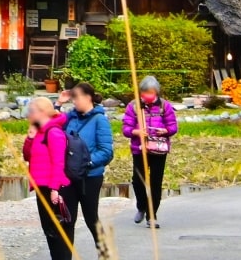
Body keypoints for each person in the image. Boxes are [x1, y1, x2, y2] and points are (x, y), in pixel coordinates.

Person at [22, 94, 73, 258]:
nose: (28, 114)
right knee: (49, 230)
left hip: (52, 187)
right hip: (41, 186)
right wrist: (30, 138)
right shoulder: (39, 132)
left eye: (32, 111)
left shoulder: (54, 132)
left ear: (42, 112)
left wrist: (54, 189)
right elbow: (27, 156)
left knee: (56, 231)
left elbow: (59, 163)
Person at [122, 75, 177, 227]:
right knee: (138, 180)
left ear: (156, 93)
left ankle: (152, 216)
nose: (146, 96)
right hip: (139, 149)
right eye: (144, 93)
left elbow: (173, 127)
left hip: (159, 149)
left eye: (150, 93)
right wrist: (137, 132)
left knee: (155, 182)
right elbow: (126, 128)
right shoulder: (133, 106)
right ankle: (141, 206)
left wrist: (165, 131)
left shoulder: (164, 106)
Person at [65, 82, 115, 246]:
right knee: (67, 219)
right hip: (69, 176)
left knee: (90, 217)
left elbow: (106, 151)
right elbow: (50, 125)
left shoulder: (100, 120)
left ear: (88, 98)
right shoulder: (70, 118)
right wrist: (58, 103)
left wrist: (86, 162)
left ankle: (105, 252)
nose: (74, 102)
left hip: (90, 177)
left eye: (76, 98)